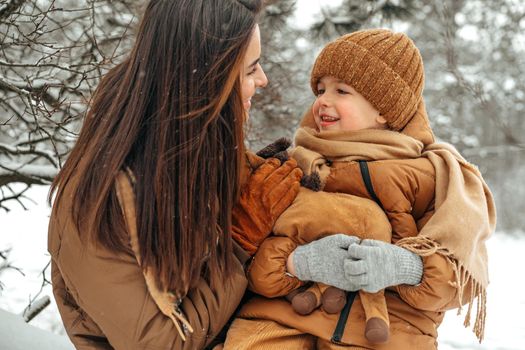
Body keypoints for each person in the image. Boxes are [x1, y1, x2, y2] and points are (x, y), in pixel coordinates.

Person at [47, 1, 309, 349]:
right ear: (209, 83)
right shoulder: (97, 203)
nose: (263, 80)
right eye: (250, 70)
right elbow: (163, 343)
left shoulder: (198, 147)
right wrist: (239, 243)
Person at [223, 29, 496, 349]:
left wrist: (407, 267)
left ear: (384, 109)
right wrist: (298, 262)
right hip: (283, 318)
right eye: (320, 89)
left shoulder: (430, 176)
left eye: (342, 91)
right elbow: (253, 259)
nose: (323, 100)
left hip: (385, 331)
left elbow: (458, 276)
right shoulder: (294, 167)